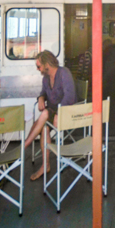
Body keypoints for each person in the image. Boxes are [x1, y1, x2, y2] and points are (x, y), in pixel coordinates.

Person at [23, 50, 76, 181]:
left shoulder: (64, 73)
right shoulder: (46, 79)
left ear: (47, 64)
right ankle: (45, 165)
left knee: (45, 113)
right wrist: (41, 98)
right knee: (44, 127)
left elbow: (70, 97)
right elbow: (43, 92)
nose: (37, 69)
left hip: (68, 113)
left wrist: (59, 112)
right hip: (53, 114)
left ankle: (24, 146)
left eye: (39, 66)